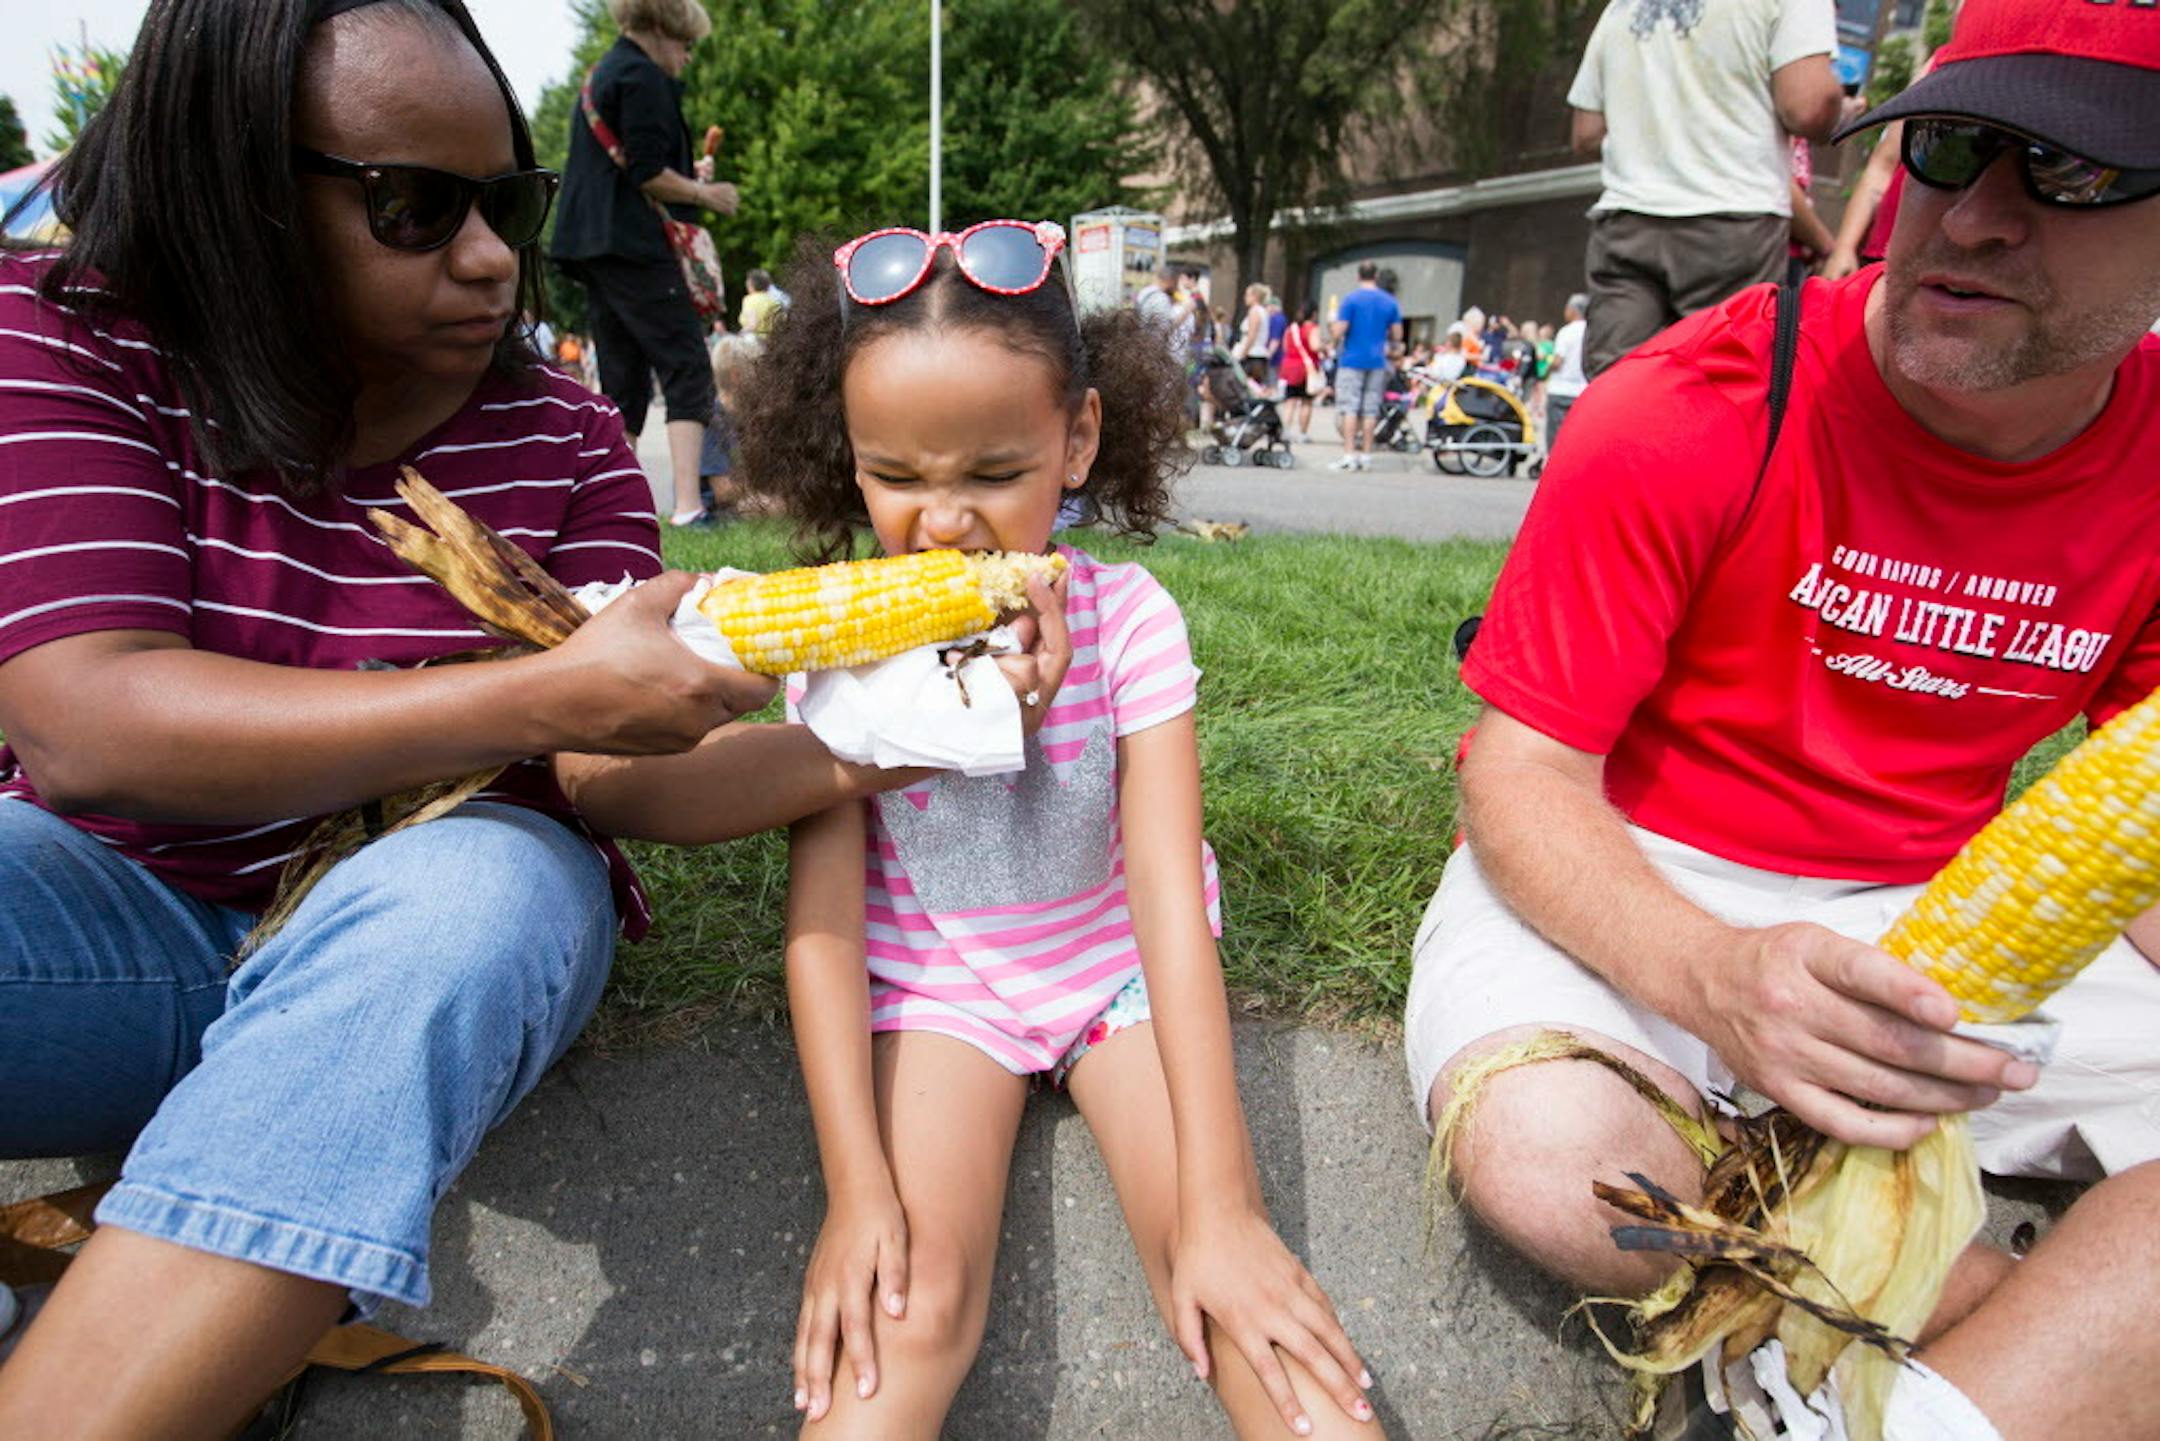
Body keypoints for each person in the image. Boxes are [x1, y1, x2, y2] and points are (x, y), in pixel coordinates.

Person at [0, 2, 793, 1435]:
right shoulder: (60, 340)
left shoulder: (557, 431)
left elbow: (610, 769)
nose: (491, 259)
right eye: (415, 210)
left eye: (507, 203)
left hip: (432, 920)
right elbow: (91, 723)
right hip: (115, 918)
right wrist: (538, 687)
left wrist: (888, 731)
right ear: (235, 189)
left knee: (474, 890)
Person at [1411, 1, 2160, 1433]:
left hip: (1936, 908)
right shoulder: (1689, 405)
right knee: (1555, 1157)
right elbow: (1521, 771)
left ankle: (1859, 1379)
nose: (1978, 221)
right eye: (1951, 151)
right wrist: (1710, 976)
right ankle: (2001, 1334)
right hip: (1639, 885)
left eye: (2073, 174)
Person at [682, 223, 1380, 1438]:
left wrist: (1224, 1201)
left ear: (1079, 439)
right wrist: (854, 1189)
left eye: (994, 474)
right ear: (846, 459)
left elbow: (1166, 893)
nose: (943, 523)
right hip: (939, 985)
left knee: (1238, 1302)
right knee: (909, 1307)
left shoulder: (1133, 622)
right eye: (896, 477)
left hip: (1114, 971)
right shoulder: (837, 662)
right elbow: (826, 925)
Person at [1568, 0, 1844, 377]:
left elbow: (1586, 132)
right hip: (1732, 223)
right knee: (1720, 390)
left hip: (1627, 221)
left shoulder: (1623, 5)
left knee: (1613, 387)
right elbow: (1809, 107)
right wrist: (1842, 113)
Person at [550, 0, 741, 530]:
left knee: (623, 376)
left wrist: (687, 171)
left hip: (592, 243)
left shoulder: (606, 72)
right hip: (632, 243)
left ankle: (614, 509)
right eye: (687, 44)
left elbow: (635, 161)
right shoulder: (643, 76)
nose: (687, 56)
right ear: (661, 30)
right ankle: (687, 507)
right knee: (686, 363)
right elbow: (647, 173)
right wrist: (708, 192)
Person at [1328, 261, 1403, 472]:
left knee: (1349, 408)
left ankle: (1349, 454)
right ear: (1376, 275)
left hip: (1352, 359)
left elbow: (1338, 332)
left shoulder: (1351, 299)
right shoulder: (1390, 302)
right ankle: (1367, 455)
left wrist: (1332, 322)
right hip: (1377, 360)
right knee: (1370, 409)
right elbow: (1397, 334)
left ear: (1358, 276)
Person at [1543, 293, 1588, 453]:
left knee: (1555, 434)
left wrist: (1546, 371)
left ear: (1572, 310)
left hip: (1560, 388)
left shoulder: (1566, 332)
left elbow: (1557, 361)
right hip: (1583, 389)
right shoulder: (1591, 333)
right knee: (1577, 433)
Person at [1279, 301, 1322, 442]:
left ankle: (1285, 431)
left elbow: (1285, 346)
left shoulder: (1291, 328)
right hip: (1306, 369)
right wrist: (1325, 347)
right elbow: (1315, 346)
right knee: (1306, 402)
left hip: (1290, 367)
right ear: (1314, 314)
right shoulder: (1312, 328)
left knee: (1290, 401)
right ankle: (1302, 434)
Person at [1231, 283, 1271, 386]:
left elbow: (1252, 335)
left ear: (1255, 296)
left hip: (1252, 354)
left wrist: (1243, 353)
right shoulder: (1263, 311)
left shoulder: (1254, 311)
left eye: (1247, 295)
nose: (1245, 298)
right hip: (1259, 353)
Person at [739, 265, 784, 336]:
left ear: (751, 284)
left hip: (755, 341)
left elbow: (752, 324)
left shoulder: (749, 299)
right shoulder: (774, 300)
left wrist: (739, 335)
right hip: (775, 341)